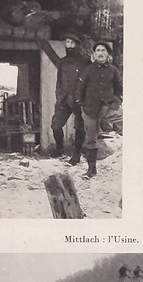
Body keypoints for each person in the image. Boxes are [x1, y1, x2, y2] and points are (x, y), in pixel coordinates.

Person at [74, 40, 123, 179]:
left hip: (109, 107)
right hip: (90, 108)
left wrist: (117, 101)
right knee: (91, 138)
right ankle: (91, 168)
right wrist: (81, 102)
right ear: (94, 54)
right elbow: (79, 88)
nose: (100, 53)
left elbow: (119, 89)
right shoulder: (88, 70)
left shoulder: (113, 70)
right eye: (98, 51)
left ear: (108, 54)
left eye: (103, 51)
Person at [50, 32, 89, 164]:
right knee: (55, 125)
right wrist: (58, 94)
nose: (70, 45)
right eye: (67, 42)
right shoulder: (62, 62)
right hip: (64, 99)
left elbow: (88, 80)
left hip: (78, 99)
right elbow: (59, 80)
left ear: (77, 45)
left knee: (79, 127)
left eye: (72, 43)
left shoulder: (85, 61)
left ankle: (76, 154)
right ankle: (59, 149)